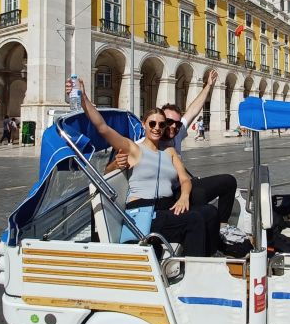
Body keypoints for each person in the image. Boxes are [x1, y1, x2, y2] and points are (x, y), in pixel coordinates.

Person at [78, 79, 219, 257]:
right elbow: (103, 127)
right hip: (144, 212)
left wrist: (184, 197)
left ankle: (208, 259)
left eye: (161, 124)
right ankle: (193, 269)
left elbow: (185, 179)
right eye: (152, 123)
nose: (157, 128)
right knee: (194, 219)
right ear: (144, 124)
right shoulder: (134, 148)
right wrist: (84, 99)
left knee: (211, 212)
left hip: (166, 209)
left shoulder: (170, 151)